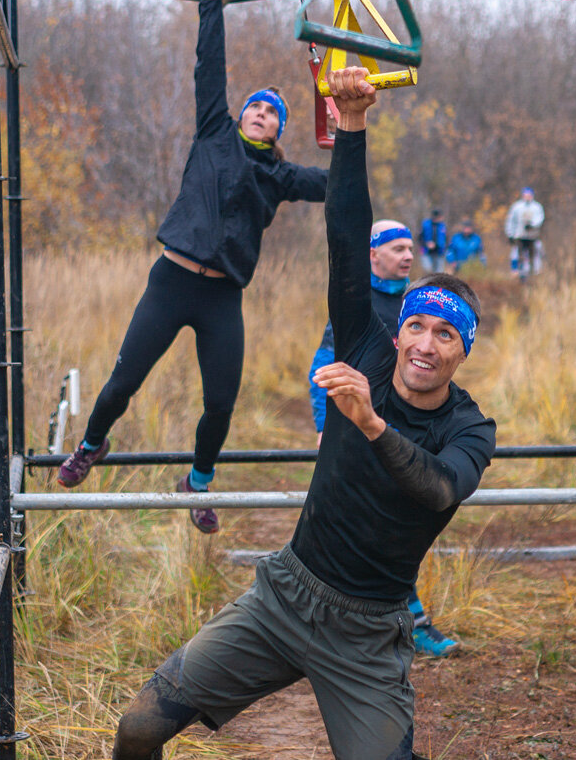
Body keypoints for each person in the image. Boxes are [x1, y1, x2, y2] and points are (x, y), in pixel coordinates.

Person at [111, 67, 496, 760]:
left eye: (447, 336)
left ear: (463, 352)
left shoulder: (468, 428)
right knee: (139, 727)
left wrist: (372, 423)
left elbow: (437, 488)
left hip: (368, 634)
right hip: (284, 598)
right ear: (399, 329)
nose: (426, 346)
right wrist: (350, 126)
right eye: (418, 328)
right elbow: (348, 241)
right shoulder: (367, 352)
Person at [56, 0, 329, 534]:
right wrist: (211, 3)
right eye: (255, 106)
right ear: (241, 114)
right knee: (123, 383)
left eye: (272, 112)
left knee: (221, 402)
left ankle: (197, 482)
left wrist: (350, 121)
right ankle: (90, 444)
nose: (261, 113)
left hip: (222, 297)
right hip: (171, 281)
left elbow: (337, 182)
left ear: (279, 127)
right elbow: (211, 70)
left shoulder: (281, 175)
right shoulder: (213, 133)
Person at [307, 219, 462, 657]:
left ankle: (409, 623)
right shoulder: (356, 304)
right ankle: (372, 626)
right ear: (372, 255)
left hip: (407, 435)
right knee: (356, 529)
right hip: (358, 431)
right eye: (396, 249)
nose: (408, 256)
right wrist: (324, 426)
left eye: (410, 248)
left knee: (401, 527)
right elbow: (324, 364)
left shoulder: (419, 303)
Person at [505, 187, 545, 279]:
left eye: (529, 195)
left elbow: (539, 219)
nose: (527, 197)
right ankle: (520, 273)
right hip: (520, 236)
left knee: (533, 255)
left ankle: (533, 273)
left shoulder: (537, 207)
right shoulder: (516, 207)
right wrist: (510, 234)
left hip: (532, 236)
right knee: (519, 255)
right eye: (526, 195)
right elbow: (511, 220)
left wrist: (532, 225)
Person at [419, 208, 447, 272]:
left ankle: (437, 282)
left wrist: (442, 247)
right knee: (427, 269)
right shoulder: (425, 225)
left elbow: (446, 239)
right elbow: (419, 237)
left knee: (439, 272)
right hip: (426, 251)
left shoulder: (443, 226)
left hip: (439, 252)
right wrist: (426, 244)